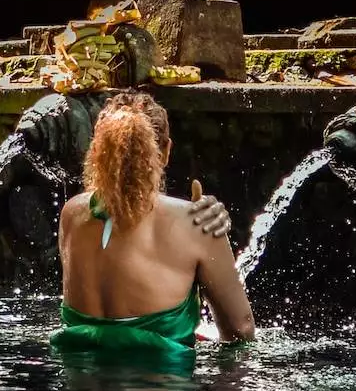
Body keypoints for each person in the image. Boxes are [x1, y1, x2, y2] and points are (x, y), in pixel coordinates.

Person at [53, 91, 254, 358]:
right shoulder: (198, 222)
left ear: (98, 151)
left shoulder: (71, 214)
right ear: (166, 151)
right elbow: (240, 329)